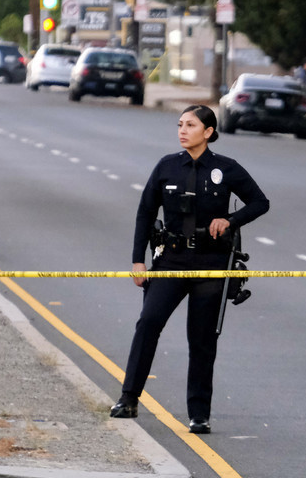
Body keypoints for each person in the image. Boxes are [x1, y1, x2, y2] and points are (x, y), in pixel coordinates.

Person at [112, 105, 269, 434]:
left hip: (210, 264)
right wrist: (137, 260)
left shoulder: (225, 169)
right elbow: (144, 212)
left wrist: (230, 220)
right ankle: (129, 398)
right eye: (180, 124)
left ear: (209, 132)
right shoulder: (167, 166)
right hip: (170, 260)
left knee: (201, 340)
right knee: (148, 323)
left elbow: (260, 202)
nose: (182, 130)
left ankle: (199, 414)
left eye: (191, 125)